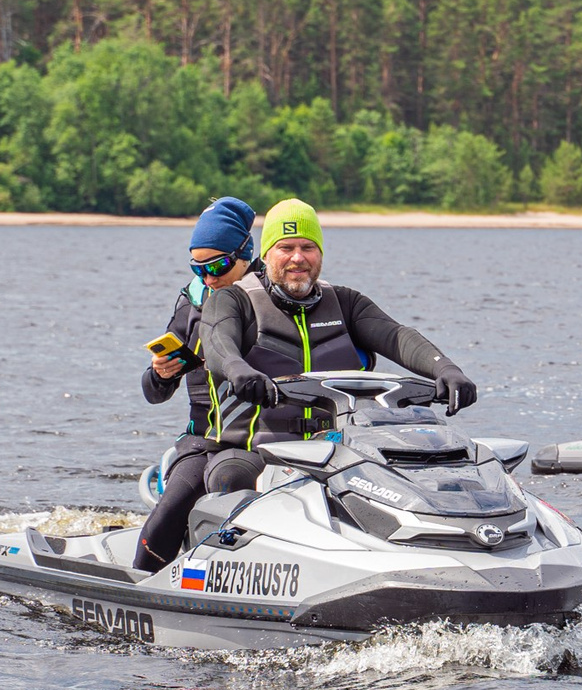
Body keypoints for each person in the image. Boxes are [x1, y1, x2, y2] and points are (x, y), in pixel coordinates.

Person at [195, 199, 478, 498]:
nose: (297, 258)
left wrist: (445, 368)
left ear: (320, 254)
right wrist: (238, 370)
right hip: (252, 451)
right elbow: (218, 344)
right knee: (230, 476)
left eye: (308, 247)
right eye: (286, 248)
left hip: (338, 452)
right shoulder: (231, 301)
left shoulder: (346, 303)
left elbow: (397, 337)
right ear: (266, 255)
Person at [132, 196, 257, 572]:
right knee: (166, 514)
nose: (209, 278)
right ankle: (139, 587)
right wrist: (161, 373)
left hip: (267, 438)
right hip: (205, 440)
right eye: (198, 268)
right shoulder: (192, 303)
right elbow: (153, 393)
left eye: (218, 265)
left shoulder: (272, 299)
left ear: (246, 255)